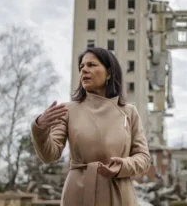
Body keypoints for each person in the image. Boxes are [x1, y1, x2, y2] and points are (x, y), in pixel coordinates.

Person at [31, 47, 151, 206]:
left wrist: (122, 165)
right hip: (78, 193)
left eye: (91, 65)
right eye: (81, 67)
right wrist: (40, 129)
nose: (84, 70)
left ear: (109, 73)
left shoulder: (129, 112)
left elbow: (143, 158)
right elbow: (49, 155)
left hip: (118, 192)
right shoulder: (68, 110)